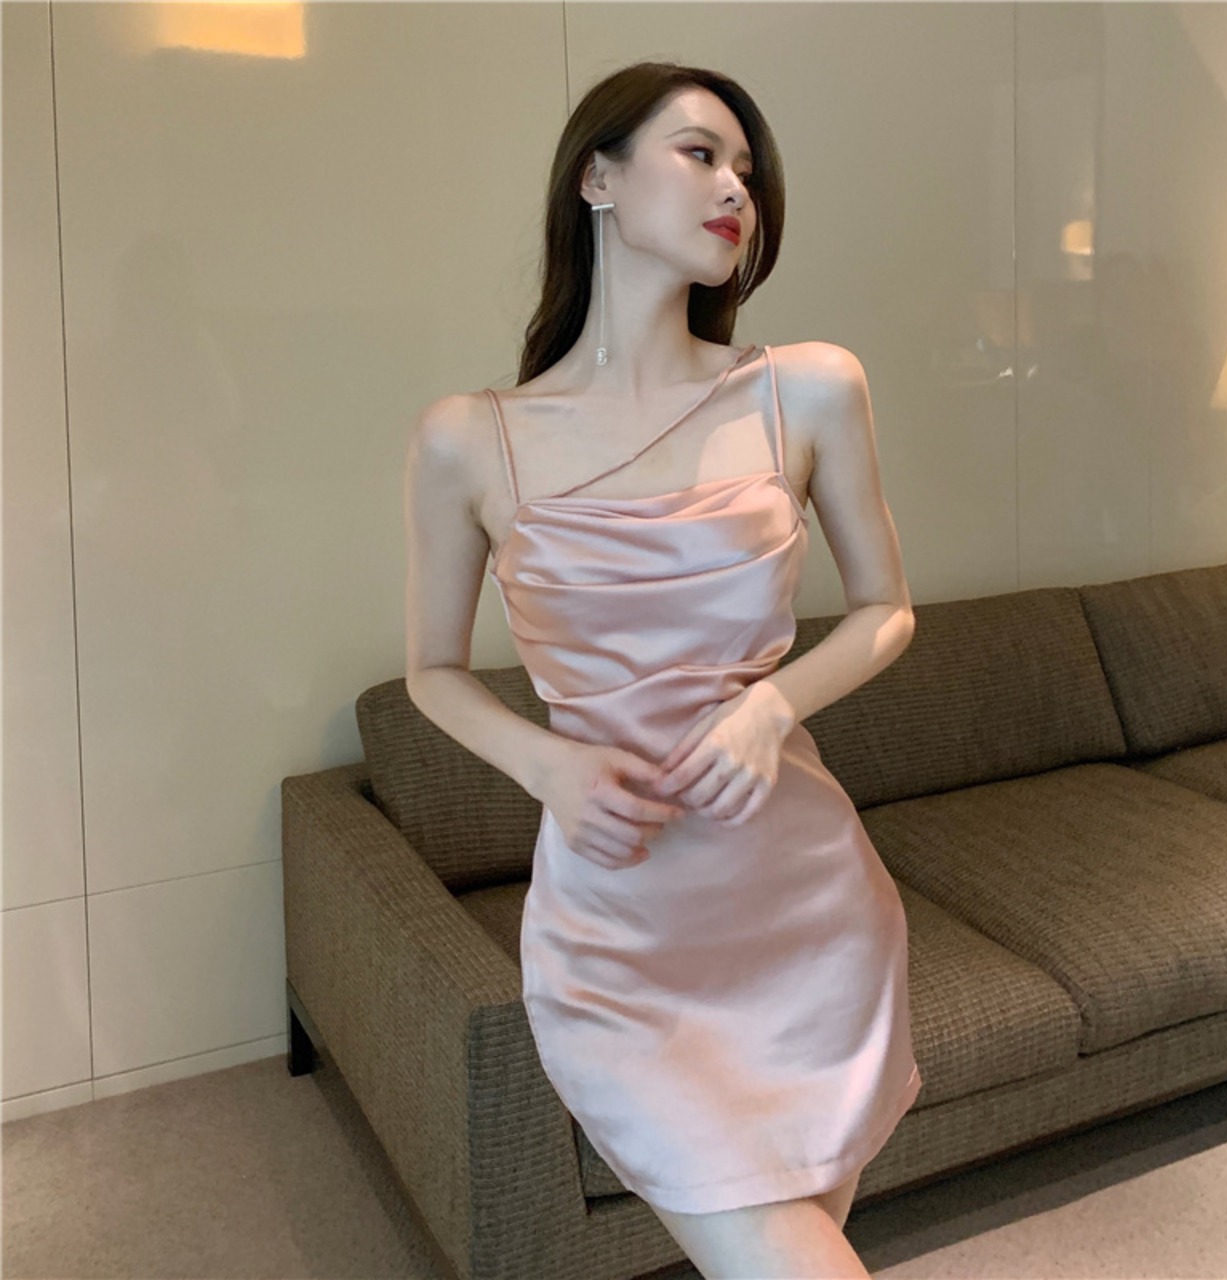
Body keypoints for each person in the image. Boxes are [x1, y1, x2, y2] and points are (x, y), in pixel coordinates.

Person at [404, 59, 921, 1280]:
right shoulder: (468, 438)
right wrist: (547, 764)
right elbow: (431, 669)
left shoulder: (806, 388)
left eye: (746, 170)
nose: (735, 186)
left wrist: (771, 706)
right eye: (700, 153)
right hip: (619, 930)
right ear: (597, 177)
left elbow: (885, 608)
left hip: (802, 909)